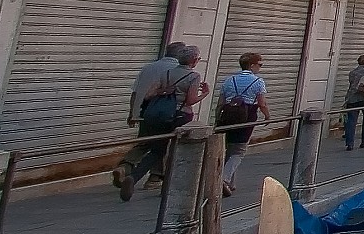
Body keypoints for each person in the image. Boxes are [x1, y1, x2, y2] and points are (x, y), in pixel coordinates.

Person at [115, 44, 204, 200]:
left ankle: (132, 175)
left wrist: (134, 112)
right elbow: (190, 100)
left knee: (155, 148)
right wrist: (205, 93)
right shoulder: (193, 76)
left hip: (155, 114)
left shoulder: (164, 72)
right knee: (178, 150)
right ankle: (165, 182)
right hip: (179, 117)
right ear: (194, 60)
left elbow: (147, 95)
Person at [214, 52, 268, 198]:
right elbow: (262, 103)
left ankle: (231, 183)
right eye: (260, 65)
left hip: (228, 117)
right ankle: (222, 179)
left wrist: (217, 118)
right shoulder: (258, 82)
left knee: (230, 148)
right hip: (247, 116)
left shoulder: (229, 80)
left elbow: (220, 103)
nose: (260, 68)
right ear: (251, 65)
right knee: (239, 151)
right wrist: (267, 116)